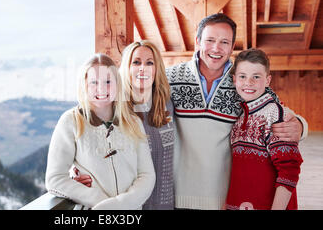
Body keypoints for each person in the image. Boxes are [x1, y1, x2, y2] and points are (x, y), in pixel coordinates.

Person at [165, 13, 308, 210]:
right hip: (179, 194)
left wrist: (301, 125)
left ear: (232, 47)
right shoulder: (170, 76)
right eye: (210, 40)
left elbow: (275, 106)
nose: (216, 48)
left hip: (225, 197)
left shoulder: (241, 79)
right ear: (198, 41)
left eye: (224, 42)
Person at [45, 53, 155, 210]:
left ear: (118, 83)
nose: (101, 88)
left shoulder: (133, 122)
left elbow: (147, 175)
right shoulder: (71, 121)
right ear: (84, 85)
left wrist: (123, 205)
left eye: (108, 81)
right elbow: (55, 178)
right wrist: (102, 203)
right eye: (94, 82)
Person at [75, 41, 176, 210]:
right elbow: (85, 141)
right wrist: (75, 169)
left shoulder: (167, 105)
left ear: (156, 68)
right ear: (126, 68)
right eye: (136, 62)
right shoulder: (111, 108)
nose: (142, 68)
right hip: (124, 208)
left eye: (149, 63)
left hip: (163, 204)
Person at [225, 48, 303, 210]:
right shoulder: (239, 118)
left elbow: (289, 170)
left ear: (267, 80)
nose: (249, 82)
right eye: (243, 76)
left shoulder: (275, 114)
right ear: (234, 79)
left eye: (256, 77)